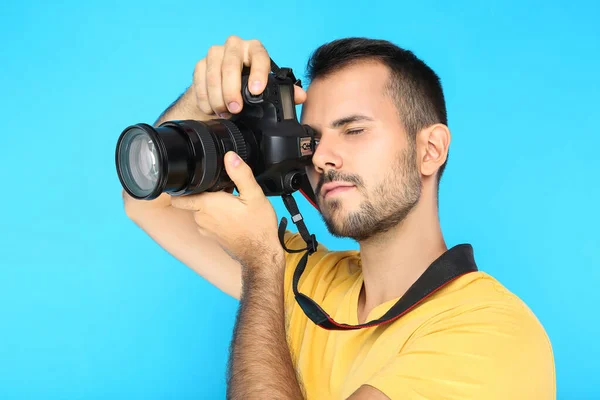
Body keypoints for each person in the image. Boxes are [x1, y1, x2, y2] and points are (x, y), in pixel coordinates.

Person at [122, 36, 556, 399]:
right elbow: (146, 199)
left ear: (430, 150)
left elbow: (263, 262)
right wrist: (203, 99)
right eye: (311, 139)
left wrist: (262, 265)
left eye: (354, 130)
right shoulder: (312, 283)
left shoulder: (492, 333)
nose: (323, 157)